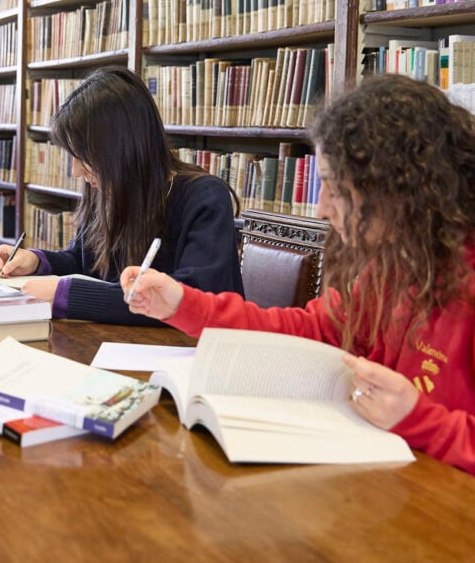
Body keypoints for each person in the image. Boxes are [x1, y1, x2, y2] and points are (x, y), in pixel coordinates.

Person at [122, 73, 475, 474]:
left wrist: (420, 420)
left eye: (336, 188)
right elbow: (315, 330)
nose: (322, 208)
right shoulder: (400, 261)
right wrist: (185, 303)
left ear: (402, 189)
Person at [0, 66, 243, 325]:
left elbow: (187, 298)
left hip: (187, 354)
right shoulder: (110, 188)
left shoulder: (204, 197)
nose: (75, 171)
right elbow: (85, 260)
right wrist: (37, 261)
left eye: (82, 156)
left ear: (119, 150)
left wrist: (68, 295)